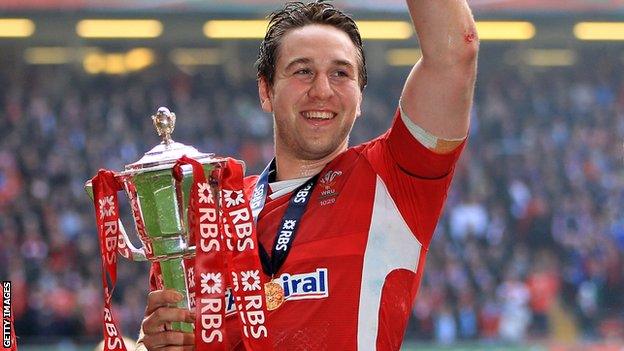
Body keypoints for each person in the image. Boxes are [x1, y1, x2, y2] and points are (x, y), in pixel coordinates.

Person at [137, 0, 478, 350]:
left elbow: (454, 54)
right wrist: (160, 340)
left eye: (341, 73)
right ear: (266, 91)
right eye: (302, 71)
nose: (322, 90)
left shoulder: (393, 179)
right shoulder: (209, 213)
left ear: (360, 98)